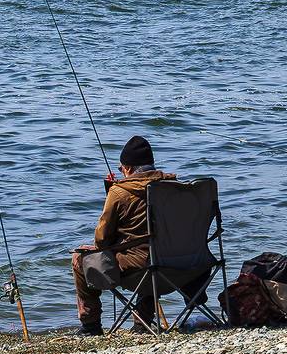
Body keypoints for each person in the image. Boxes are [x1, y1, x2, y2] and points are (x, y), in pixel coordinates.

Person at [70, 135, 204, 334]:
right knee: (150, 249)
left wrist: (113, 194)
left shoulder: (119, 193)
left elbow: (101, 240)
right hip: (187, 266)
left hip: (145, 270)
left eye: (121, 169)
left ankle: (91, 325)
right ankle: (142, 322)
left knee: (80, 258)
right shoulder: (174, 187)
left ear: (129, 169)